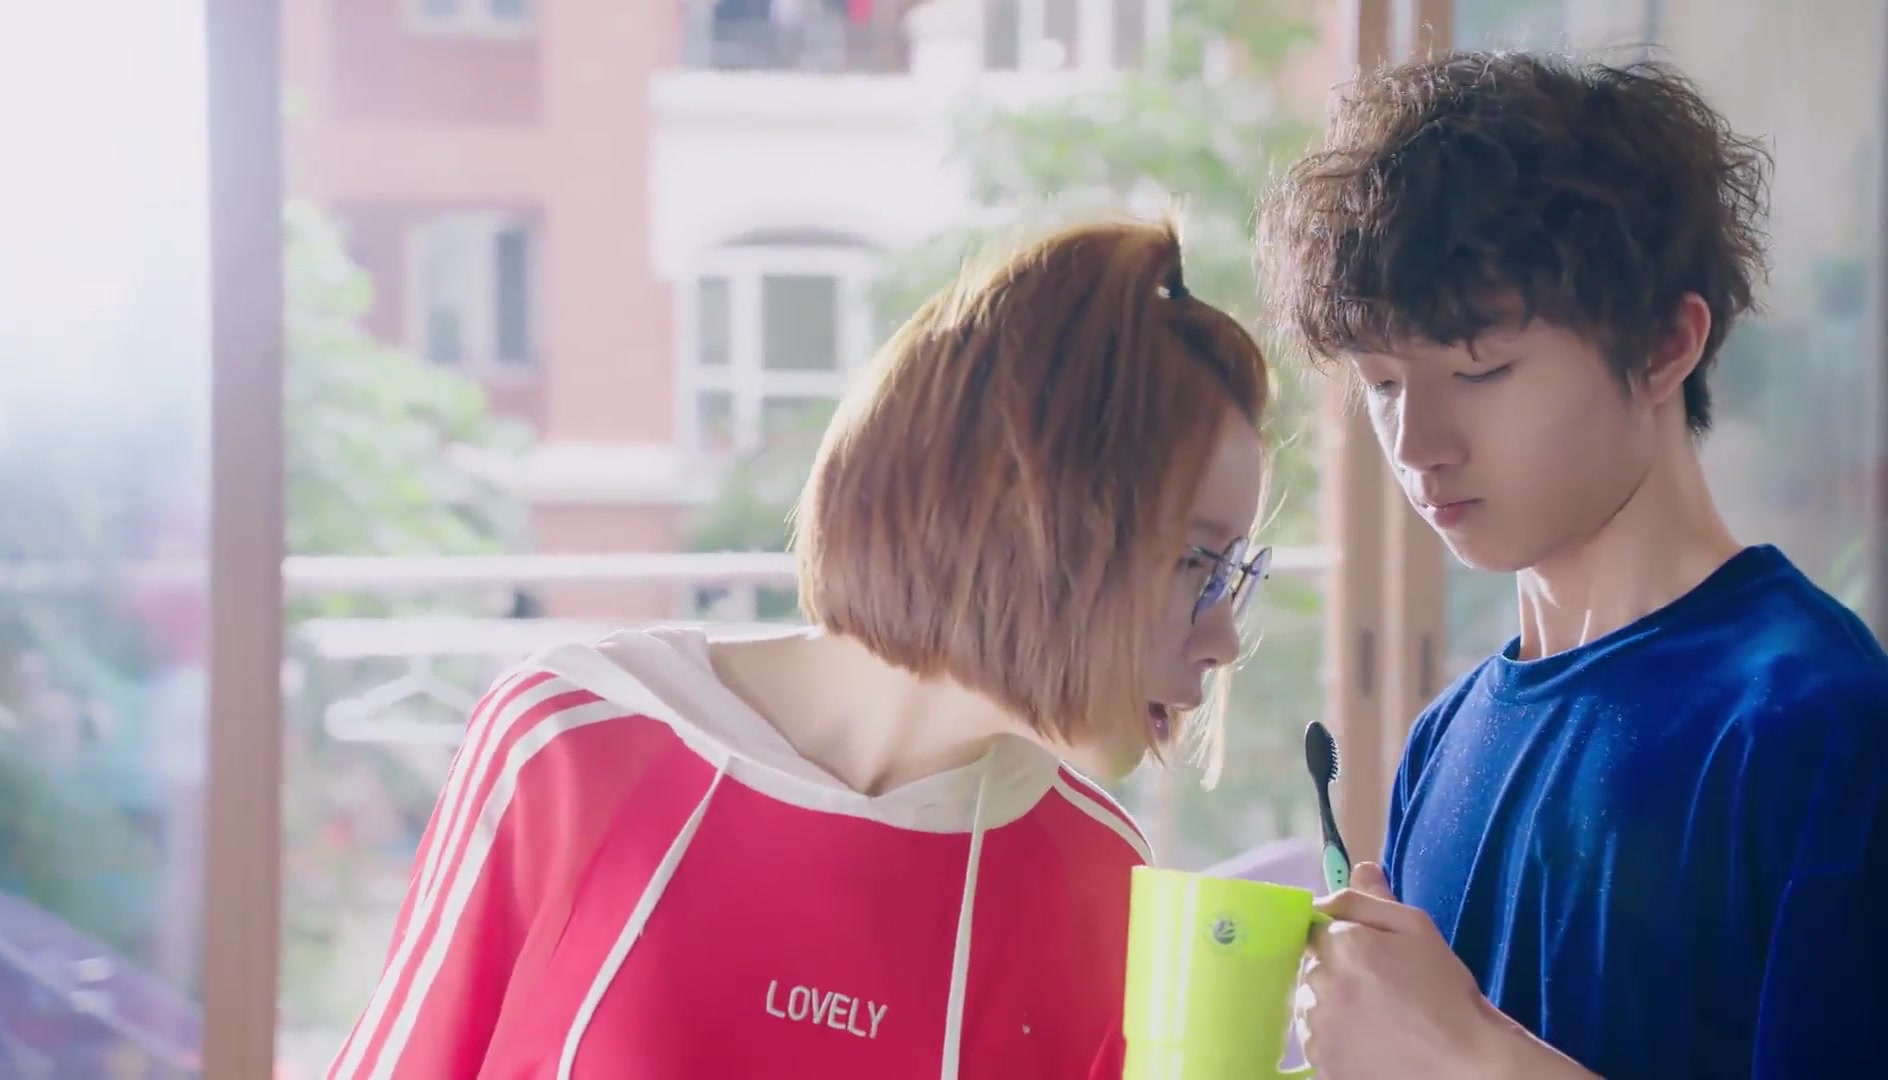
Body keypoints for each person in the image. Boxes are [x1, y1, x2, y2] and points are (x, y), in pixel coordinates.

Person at [327, 218, 1276, 1079]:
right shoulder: (572, 745)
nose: (1224, 637)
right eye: (1198, 563)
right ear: (1035, 519)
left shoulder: (1096, 873)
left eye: (1236, 573)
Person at [1256, 51, 1888, 1079]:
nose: (1418, 445)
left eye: (1481, 370)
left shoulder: (1818, 723)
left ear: (1664, 346)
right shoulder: (1445, 739)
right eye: (1383, 384)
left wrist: (1462, 1053)